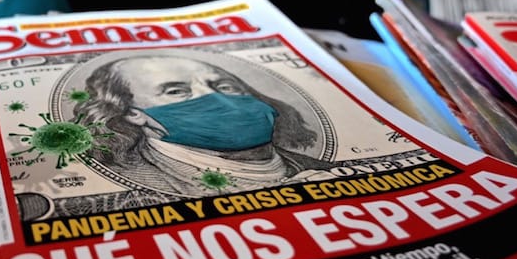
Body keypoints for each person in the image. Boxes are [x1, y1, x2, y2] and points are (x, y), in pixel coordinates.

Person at [71, 54, 337, 198]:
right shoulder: (142, 185)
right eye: (176, 91)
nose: (216, 99)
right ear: (132, 114)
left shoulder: (321, 170)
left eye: (224, 87)